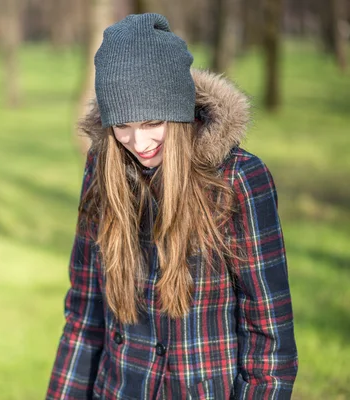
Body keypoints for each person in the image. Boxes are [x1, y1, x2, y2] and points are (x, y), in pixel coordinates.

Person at [46, 13, 298, 400]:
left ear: (179, 111)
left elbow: (268, 340)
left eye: (151, 122)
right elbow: (84, 315)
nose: (138, 141)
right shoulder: (102, 169)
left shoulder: (239, 180)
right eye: (122, 125)